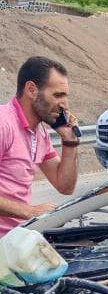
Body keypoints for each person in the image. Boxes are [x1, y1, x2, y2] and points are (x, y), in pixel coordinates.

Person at [0, 56, 80, 236]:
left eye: (65, 96)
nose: (64, 105)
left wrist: (69, 142)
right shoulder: (3, 123)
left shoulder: (40, 133)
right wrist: (30, 212)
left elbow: (65, 186)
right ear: (31, 90)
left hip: (17, 240)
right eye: (58, 95)